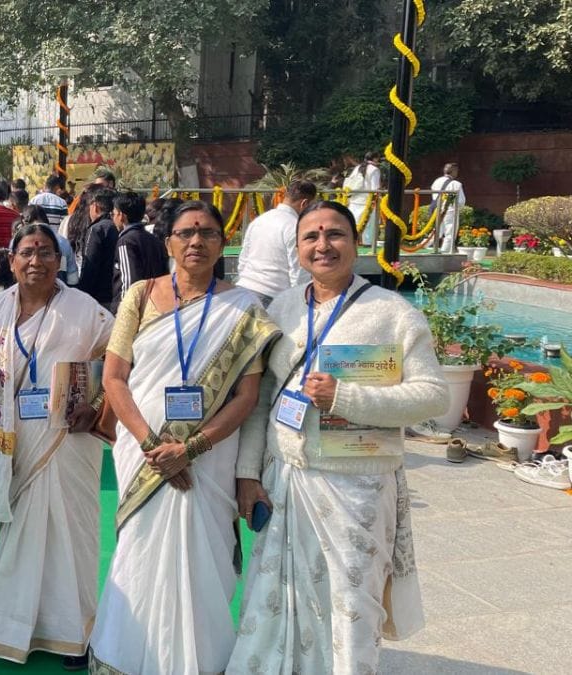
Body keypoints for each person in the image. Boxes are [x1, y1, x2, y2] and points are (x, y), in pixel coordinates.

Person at [228, 201, 448, 673]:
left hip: (357, 485)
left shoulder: (392, 313)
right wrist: (248, 474)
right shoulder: (283, 308)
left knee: (351, 601)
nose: (322, 245)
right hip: (286, 478)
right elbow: (262, 399)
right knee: (277, 597)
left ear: (356, 242)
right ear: (298, 248)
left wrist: (346, 397)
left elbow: (433, 397)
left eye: (335, 235)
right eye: (311, 237)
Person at [89, 201, 281, 675]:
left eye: (209, 233)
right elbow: (114, 378)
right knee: (140, 548)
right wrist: (154, 445)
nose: (196, 241)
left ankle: (201, 660)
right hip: (143, 452)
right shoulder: (138, 295)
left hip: (209, 458)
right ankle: (127, 655)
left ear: (223, 242)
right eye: (186, 232)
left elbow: (246, 396)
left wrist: (191, 448)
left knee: (203, 556)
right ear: (168, 241)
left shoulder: (245, 309)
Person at [0, 223, 114, 669]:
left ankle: (75, 633)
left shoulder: (86, 309)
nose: (35, 260)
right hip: (11, 439)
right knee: (18, 535)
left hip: (69, 438)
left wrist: (95, 403)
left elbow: (115, 359)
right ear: (12, 259)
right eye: (26, 252)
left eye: (45, 252)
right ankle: (12, 629)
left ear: (59, 262)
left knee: (73, 536)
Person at [236, 179, 318, 306]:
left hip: (243, 290)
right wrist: (299, 301)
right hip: (272, 296)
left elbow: (243, 259)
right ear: (304, 204)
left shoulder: (259, 220)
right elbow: (298, 269)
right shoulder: (295, 226)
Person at [111, 191, 166, 311]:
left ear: (121, 216)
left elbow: (128, 280)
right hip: (155, 304)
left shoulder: (125, 241)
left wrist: (124, 310)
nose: (113, 218)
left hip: (134, 308)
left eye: (113, 214)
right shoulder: (152, 238)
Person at [73, 188, 118, 308]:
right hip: (117, 294)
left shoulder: (96, 229)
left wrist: (82, 294)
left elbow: (89, 265)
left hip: (98, 298)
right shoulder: (119, 226)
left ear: (95, 206)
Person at [19, 206, 78, 285]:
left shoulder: (19, 242)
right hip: (58, 292)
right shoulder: (63, 242)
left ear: (24, 222)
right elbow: (73, 279)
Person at [343, 152, 381, 246]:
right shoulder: (374, 170)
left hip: (354, 199)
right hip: (367, 201)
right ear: (375, 159)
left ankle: (352, 241)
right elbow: (375, 188)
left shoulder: (357, 168)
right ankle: (367, 243)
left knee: (354, 222)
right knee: (368, 223)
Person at [432, 162, 467, 254]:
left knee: (437, 231)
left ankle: (427, 247)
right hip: (450, 210)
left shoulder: (437, 181)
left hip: (436, 209)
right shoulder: (456, 184)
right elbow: (460, 201)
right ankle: (445, 251)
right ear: (454, 171)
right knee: (450, 232)